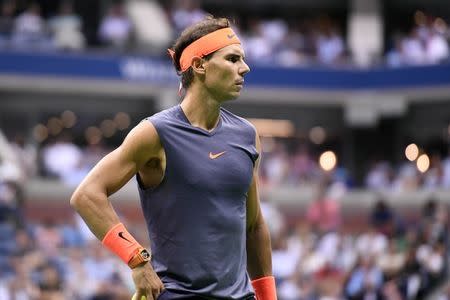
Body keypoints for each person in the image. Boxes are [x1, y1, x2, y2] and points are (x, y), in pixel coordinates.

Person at [70, 16, 277, 300]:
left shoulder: (247, 135)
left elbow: (254, 227)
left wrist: (268, 296)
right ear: (199, 65)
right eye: (232, 59)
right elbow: (86, 195)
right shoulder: (154, 132)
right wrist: (137, 260)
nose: (245, 68)